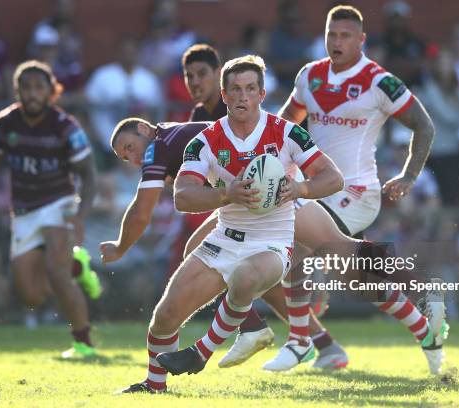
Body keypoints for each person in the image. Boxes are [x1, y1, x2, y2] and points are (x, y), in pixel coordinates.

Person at [115, 55, 343, 393]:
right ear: (223, 95)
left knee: (246, 276)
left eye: (250, 88)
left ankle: (203, 350)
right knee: (163, 317)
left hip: (272, 242)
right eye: (235, 89)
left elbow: (333, 178)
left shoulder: (287, 132)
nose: (243, 96)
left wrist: (300, 187)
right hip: (224, 238)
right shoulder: (205, 140)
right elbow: (183, 196)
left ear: (262, 93)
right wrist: (228, 193)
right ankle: (154, 386)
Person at [267, 5, 448, 371]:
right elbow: (287, 124)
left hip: (358, 193)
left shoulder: (380, 81)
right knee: (361, 280)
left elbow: (425, 126)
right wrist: (273, 162)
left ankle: (301, 339)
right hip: (319, 187)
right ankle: (427, 327)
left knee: (291, 232)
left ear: (361, 40)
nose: (337, 42)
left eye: (345, 36)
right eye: (331, 34)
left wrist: (410, 175)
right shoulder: (309, 76)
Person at [181, 43, 349, 370]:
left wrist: (294, 183)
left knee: (342, 253)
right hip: (244, 206)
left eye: (202, 74)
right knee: (245, 269)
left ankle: (408, 296)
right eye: (189, 76)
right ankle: (307, 339)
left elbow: (283, 129)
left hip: (281, 197)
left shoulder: (235, 106)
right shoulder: (202, 119)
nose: (195, 82)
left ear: (219, 78)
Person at [0, 60, 100, 358]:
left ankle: (83, 343)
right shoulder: (4, 124)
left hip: (59, 203)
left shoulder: (65, 127)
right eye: (26, 88)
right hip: (24, 210)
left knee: (56, 272)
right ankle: (77, 267)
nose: (33, 94)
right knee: (31, 296)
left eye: (39, 88)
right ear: (17, 91)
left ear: (51, 92)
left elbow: (88, 174)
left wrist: (79, 214)